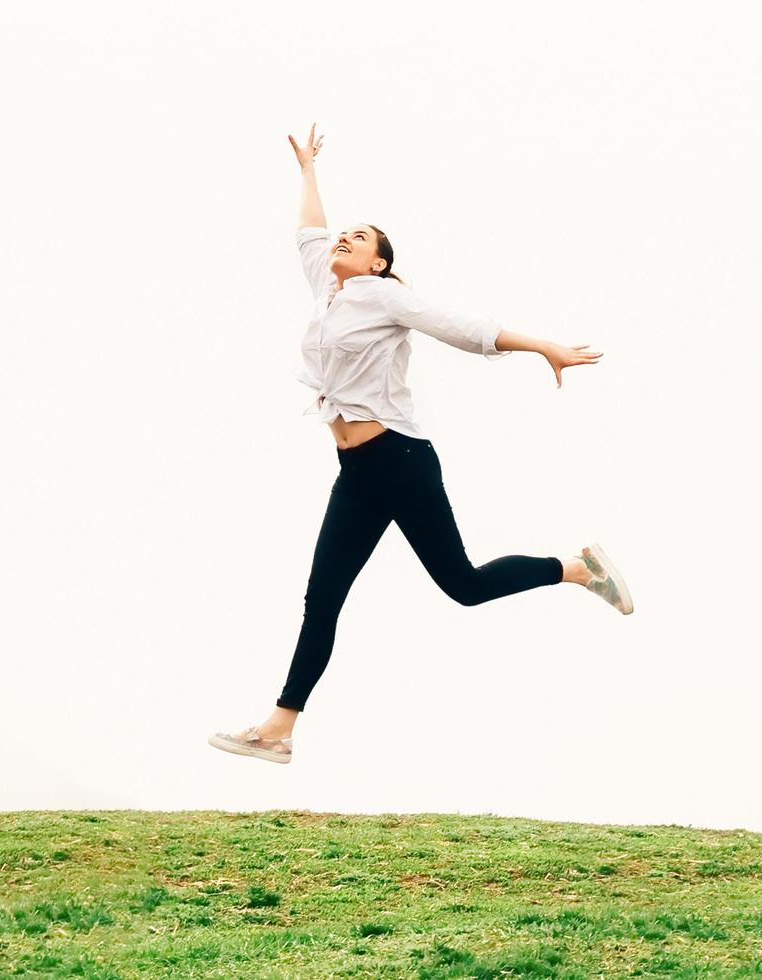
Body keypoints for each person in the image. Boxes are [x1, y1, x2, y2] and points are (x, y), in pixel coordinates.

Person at [208, 123, 634, 766]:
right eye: (344, 236)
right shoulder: (329, 291)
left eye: (360, 239)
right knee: (322, 597)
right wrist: (307, 171)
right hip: (356, 471)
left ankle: (576, 569)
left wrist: (543, 346)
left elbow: (463, 328)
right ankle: (279, 730)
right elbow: (309, 232)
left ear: (379, 262)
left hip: (399, 461)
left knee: (462, 584)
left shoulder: (384, 297)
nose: (343, 239)